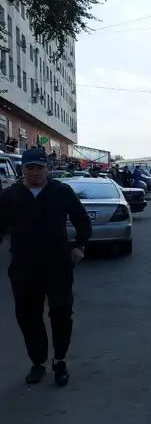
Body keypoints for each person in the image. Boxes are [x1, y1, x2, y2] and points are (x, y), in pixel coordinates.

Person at [0, 148, 92, 386]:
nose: (35, 173)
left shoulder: (61, 192)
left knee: (61, 312)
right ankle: (38, 362)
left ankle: (60, 360)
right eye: (30, 168)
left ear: (47, 169)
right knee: (28, 316)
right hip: (24, 265)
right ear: (23, 169)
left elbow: (82, 219)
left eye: (39, 168)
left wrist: (79, 245)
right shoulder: (10, 196)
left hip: (57, 263)